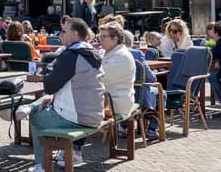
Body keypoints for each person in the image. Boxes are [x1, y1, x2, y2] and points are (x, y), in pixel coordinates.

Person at [15, 18, 104, 169]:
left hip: (77, 117)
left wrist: (47, 74)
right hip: (95, 114)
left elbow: (49, 86)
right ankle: (32, 107)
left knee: (36, 118)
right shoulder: (93, 53)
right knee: (46, 103)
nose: (59, 34)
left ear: (75, 34)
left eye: (64, 31)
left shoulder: (71, 55)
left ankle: (41, 165)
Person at [97, 22, 136, 139]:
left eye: (103, 37)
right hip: (106, 99)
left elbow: (99, 78)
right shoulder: (105, 52)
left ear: (115, 39)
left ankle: (74, 149)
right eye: (100, 36)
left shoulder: (122, 56)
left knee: (75, 107)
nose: (100, 39)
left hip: (116, 102)